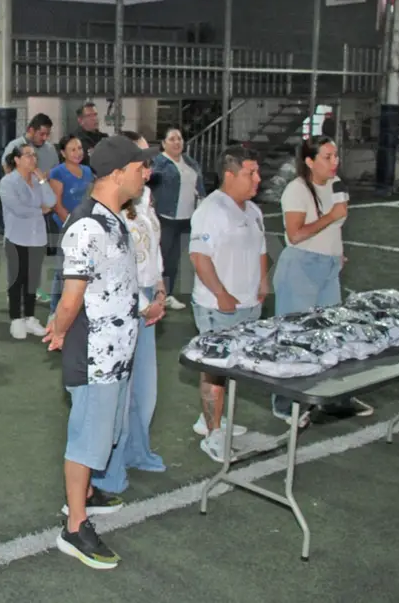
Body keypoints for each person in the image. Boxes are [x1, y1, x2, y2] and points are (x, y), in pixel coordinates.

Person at [43, 136, 149, 570]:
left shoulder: (113, 218)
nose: (147, 173)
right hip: (95, 353)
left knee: (105, 430)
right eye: (141, 167)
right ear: (119, 171)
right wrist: (59, 331)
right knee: (87, 437)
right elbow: (71, 298)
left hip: (116, 349)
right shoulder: (87, 225)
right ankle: (74, 526)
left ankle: (86, 492)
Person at [271, 136, 371, 422]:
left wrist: (336, 253)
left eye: (336, 155)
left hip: (327, 268)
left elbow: (334, 228)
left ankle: (332, 397)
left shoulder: (337, 186)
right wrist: (331, 216)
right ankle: (284, 402)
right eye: (327, 157)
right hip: (300, 268)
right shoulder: (297, 189)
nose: (334, 161)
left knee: (332, 334)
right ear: (310, 161)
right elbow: (296, 234)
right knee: (293, 336)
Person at [90, 151, 168, 494]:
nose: (147, 173)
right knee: (116, 398)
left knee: (144, 392)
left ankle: (138, 451)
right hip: (128, 304)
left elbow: (153, 251)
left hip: (149, 296)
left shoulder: (145, 200)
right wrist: (145, 303)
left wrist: (161, 288)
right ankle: (107, 471)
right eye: (140, 166)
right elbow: (114, 271)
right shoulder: (110, 212)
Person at [188, 146, 267, 463]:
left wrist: (263, 281)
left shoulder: (252, 210)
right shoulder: (212, 210)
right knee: (215, 369)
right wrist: (221, 293)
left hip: (248, 304)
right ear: (230, 175)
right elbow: (199, 257)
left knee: (233, 366)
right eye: (251, 173)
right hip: (217, 306)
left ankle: (210, 420)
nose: (257, 179)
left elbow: (261, 247)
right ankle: (213, 433)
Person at [0, 144, 57, 339]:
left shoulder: (37, 180)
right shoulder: (8, 182)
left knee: (33, 279)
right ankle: (16, 319)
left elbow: (51, 202)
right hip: (17, 237)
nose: (33, 159)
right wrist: (39, 210)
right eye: (28, 155)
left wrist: (42, 180)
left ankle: (30, 318)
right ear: (16, 159)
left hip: (37, 237)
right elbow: (17, 208)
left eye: (34, 155)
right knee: (17, 278)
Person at [149, 127, 205, 310]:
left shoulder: (189, 161)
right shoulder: (159, 163)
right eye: (172, 139)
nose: (177, 142)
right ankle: (156, 295)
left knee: (174, 260)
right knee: (162, 259)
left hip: (186, 219)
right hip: (166, 218)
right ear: (164, 144)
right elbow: (150, 182)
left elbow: (199, 185)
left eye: (179, 138)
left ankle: (168, 294)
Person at [46, 135, 93, 322]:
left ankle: (80, 310)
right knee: (62, 271)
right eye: (72, 149)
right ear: (63, 153)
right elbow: (56, 203)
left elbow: (91, 198)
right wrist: (72, 225)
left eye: (80, 148)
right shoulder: (58, 173)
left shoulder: (88, 172)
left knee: (84, 270)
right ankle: (54, 313)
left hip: (86, 228)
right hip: (65, 227)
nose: (77, 153)